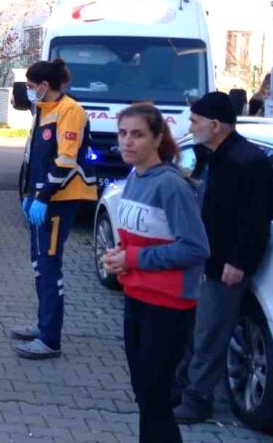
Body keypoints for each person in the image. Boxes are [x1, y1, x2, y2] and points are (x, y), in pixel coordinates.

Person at [102, 103, 210, 443]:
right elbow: (141, 237)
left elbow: (195, 248)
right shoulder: (135, 178)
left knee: (155, 398)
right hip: (136, 298)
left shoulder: (172, 185)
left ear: (158, 138)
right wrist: (118, 256)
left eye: (137, 134)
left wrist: (133, 258)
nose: (127, 142)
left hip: (168, 307)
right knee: (145, 394)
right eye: (122, 134)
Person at [173, 92, 273, 424]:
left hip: (225, 265)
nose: (191, 126)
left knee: (210, 334)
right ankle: (183, 387)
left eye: (195, 121)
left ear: (215, 125)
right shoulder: (211, 155)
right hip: (203, 259)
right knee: (192, 329)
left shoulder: (248, 161)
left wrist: (239, 262)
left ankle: (198, 399)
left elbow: (255, 220)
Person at [10, 59, 97, 359]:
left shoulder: (69, 111)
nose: (30, 92)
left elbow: (65, 160)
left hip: (59, 202)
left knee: (49, 267)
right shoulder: (43, 111)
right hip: (41, 200)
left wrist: (44, 196)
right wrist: (28, 193)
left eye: (32, 87)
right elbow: (35, 158)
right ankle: (42, 324)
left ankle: (50, 338)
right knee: (39, 266)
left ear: (45, 86)